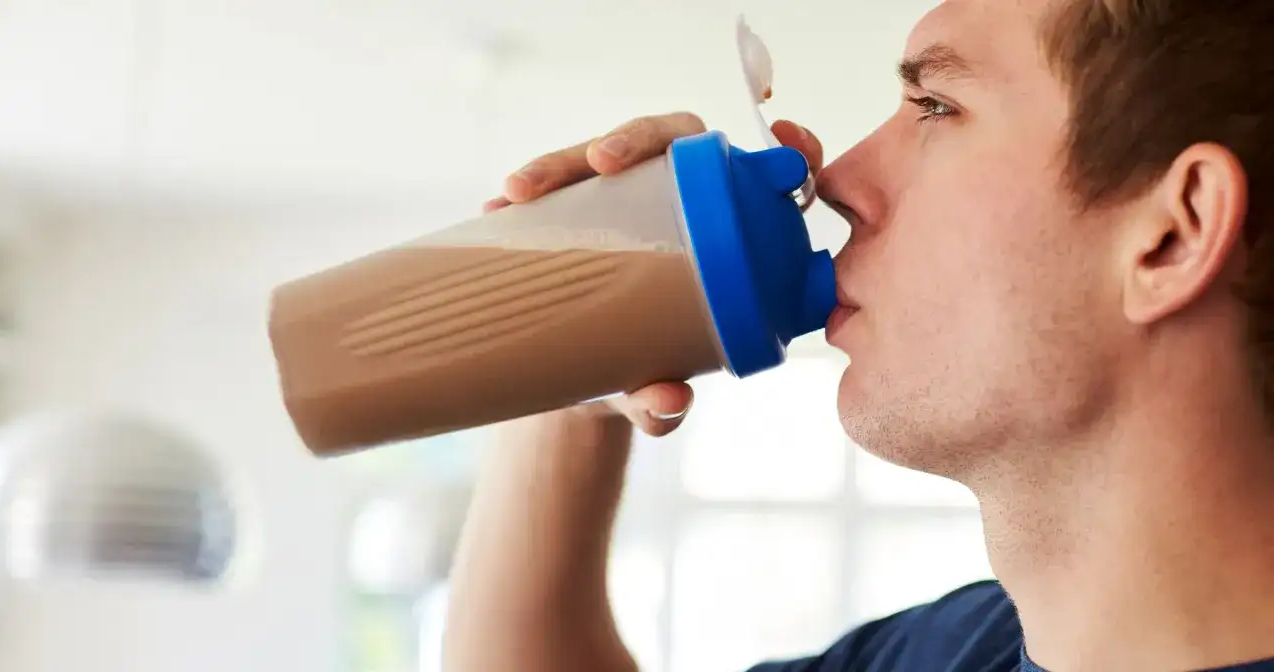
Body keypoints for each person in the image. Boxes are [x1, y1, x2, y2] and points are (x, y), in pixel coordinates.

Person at [442, 0, 1274, 670]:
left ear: (1175, 234)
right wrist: (571, 377)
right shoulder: (948, 652)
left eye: (937, 106)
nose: (834, 178)